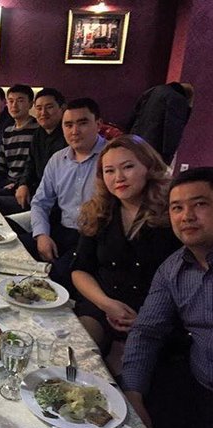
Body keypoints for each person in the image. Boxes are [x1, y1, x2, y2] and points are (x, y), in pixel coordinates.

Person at [71, 135, 181, 375]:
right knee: (74, 356)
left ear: (148, 167)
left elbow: (181, 286)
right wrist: (107, 304)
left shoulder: (172, 215)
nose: (118, 177)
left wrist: (145, 320)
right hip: (102, 305)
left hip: (152, 317)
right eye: (109, 171)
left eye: (128, 167)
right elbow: (80, 270)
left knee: (125, 382)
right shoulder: (98, 212)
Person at [123, 167, 213, 428]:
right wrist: (133, 394)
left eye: (200, 204)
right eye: (177, 208)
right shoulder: (172, 270)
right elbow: (146, 331)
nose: (187, 216)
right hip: (200, 386)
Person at [20, 98, 107, 288]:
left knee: (53, 280)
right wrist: (41, 235)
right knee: (10, 251)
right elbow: (40, 202)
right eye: (68, 125)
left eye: (82, 123)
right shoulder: (58, 159)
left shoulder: (112, 158)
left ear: (98, 124)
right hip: (62, 229)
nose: (74, 131)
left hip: (96, 238)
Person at [0, 85, 39, 215]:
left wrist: (18, 184)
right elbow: (1, 164)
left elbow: (34, 168)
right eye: (11, 101)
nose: (14, 105)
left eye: (20, 100)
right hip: (8, 184)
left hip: (25, 189)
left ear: (30, 104)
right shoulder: (8, 131)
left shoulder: (38, 131)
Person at [15, 88, 67, 209]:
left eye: (49, 107)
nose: (43, 113)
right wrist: (23, 184)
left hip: (53, 202)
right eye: (39, 108)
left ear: (62, 108)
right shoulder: (38, 133)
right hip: (34, 192)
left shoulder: (68, 136)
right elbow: (30, 164)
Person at [128, 82, 194, 165]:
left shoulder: (153, 90)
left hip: (136, 141)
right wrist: (168, 157)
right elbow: (173, 129)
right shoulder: (178, 99)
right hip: (155, 148)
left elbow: (134, 115)